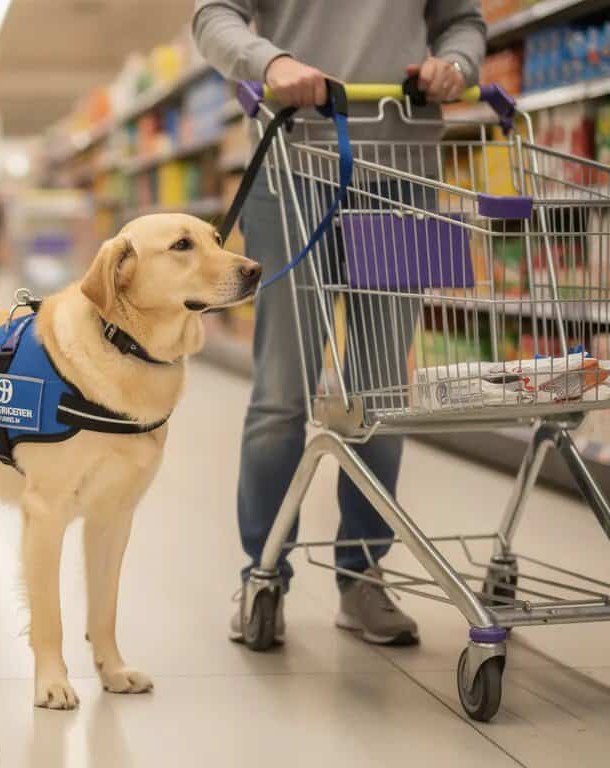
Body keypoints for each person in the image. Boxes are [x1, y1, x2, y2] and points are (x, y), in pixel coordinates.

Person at [193, 0, 486, 646]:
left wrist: (456, 65)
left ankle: (363, 576)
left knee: (382, 392)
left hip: (402, 176)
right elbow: (213, 17)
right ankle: (262, 573)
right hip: (293, 167)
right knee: (281, 393)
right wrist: (272, 61)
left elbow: (462, 19)